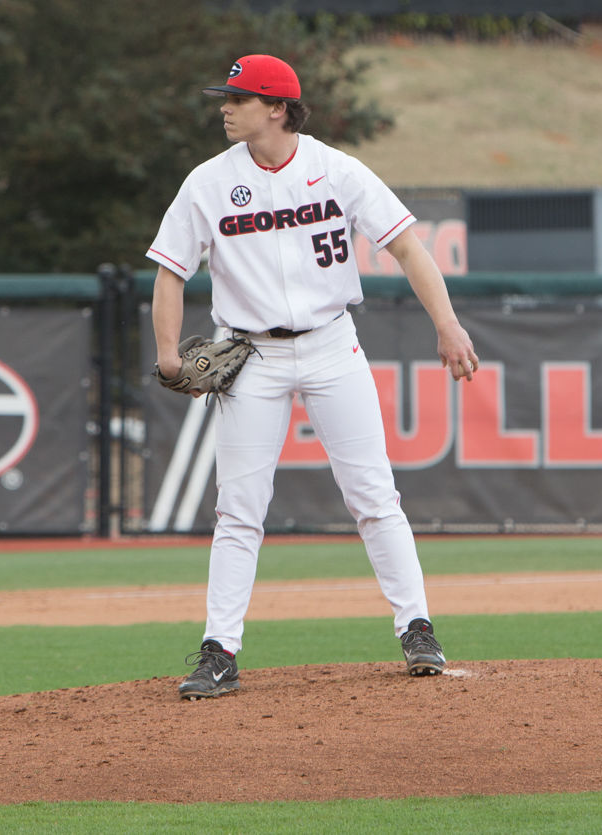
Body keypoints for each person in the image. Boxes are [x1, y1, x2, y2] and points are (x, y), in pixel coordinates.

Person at [146, 54, 480, 700]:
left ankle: (417, 626)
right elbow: (169, 271)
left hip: (332, 345)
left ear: (277, 108)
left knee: (374, 496)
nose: (225, 106)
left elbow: (407, 245)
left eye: (239, 98)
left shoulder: (337, 170)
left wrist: (448, 323)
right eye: (227, 97)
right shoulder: (208, 183)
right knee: (238, 510)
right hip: (251, 357)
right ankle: (220, 650)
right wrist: (167, 353)